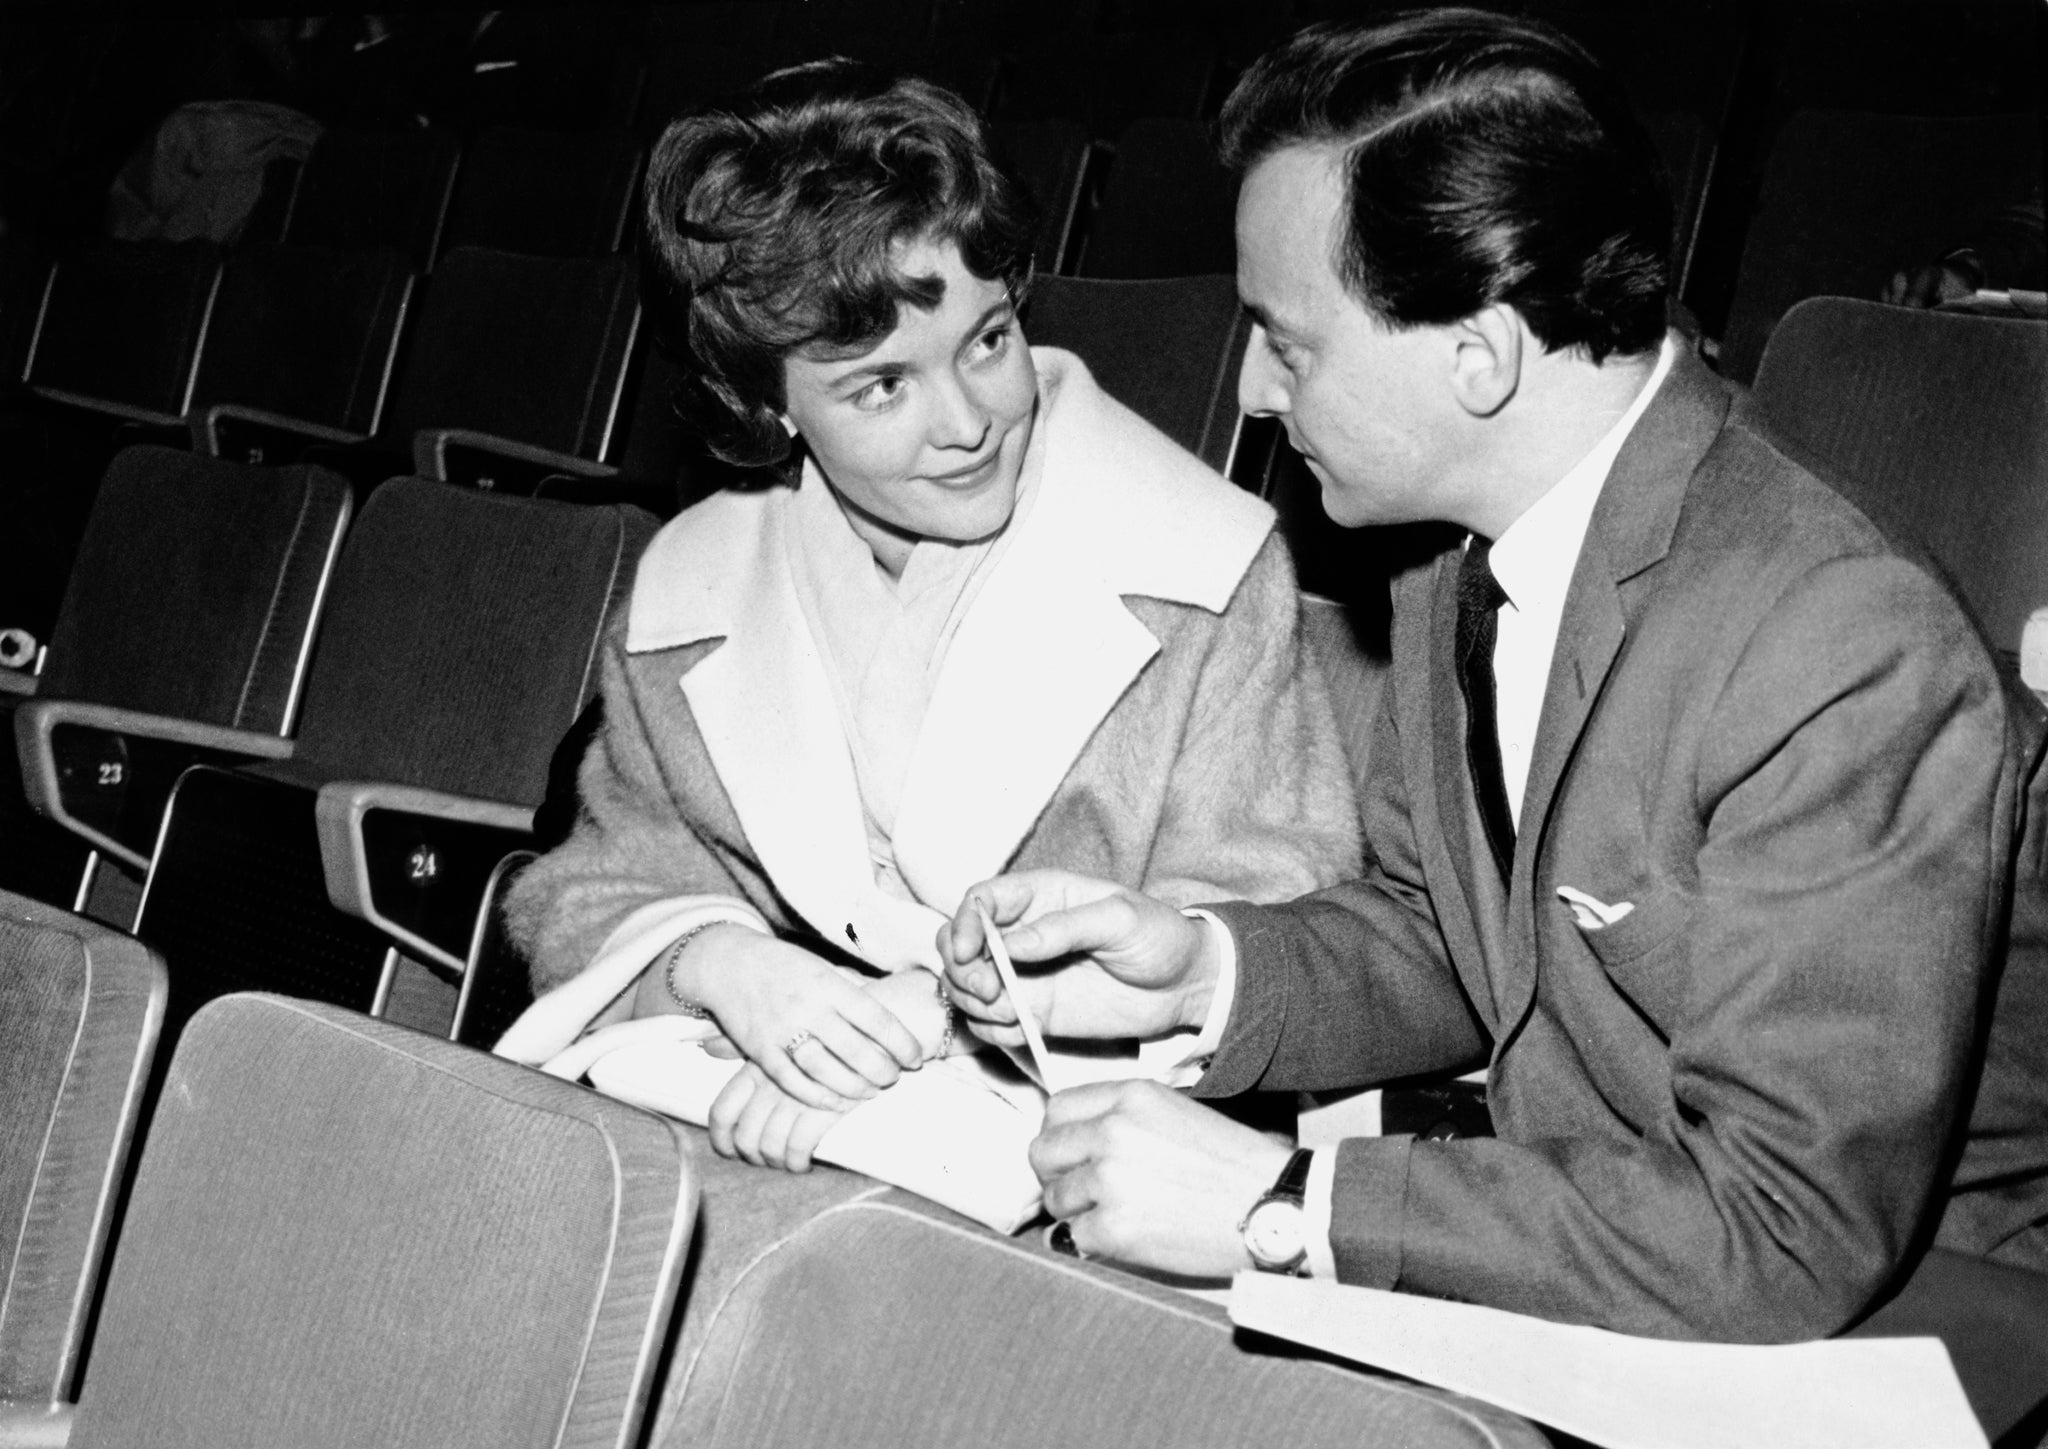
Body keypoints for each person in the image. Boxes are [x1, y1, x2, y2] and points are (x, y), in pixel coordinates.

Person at [941, 10, 2048, 1345]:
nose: (1248, 390)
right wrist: (1200, 974)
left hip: (1902, 1332)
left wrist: (1291, 1202)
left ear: (1481, 355)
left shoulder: (1838, 638)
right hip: (1602, 1266)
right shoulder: (1451, 563)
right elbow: (1458, 941)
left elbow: (1780, 1228)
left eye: (1288, 341)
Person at [494, 60, 1359, 1174]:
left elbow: (1265, 924)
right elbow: (593, 885)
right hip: (739, 1114)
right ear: (767, 406)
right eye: (878, 387)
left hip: (1082, 1152)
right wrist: (721, 966)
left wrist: (913, 1049)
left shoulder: (1202, 565)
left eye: (987, 340)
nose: (967, 422)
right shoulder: (685, 592)